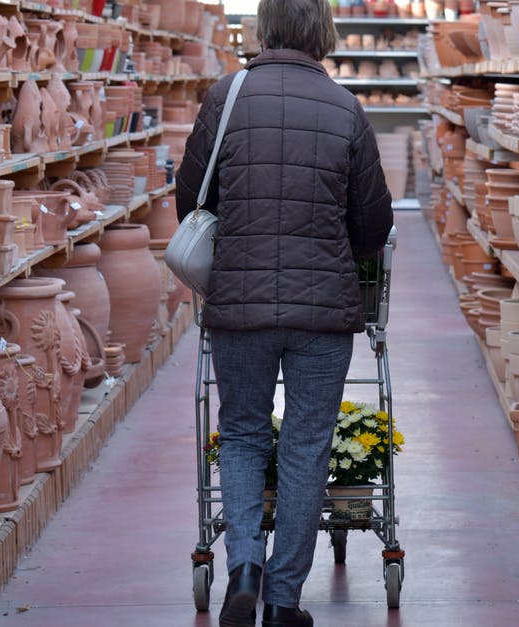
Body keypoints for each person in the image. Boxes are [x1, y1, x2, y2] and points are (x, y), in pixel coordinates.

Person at [175, 0, 395, 625]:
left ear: (264, 28)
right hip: (323, 313)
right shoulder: (346, 109)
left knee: (242, 434)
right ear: (323, 33)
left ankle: (243, 565)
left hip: (238, 307)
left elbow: (192, 198)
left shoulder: (225, 96)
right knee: (306, 445)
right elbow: (372, 223)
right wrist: (328, 251)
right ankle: (283, 599)